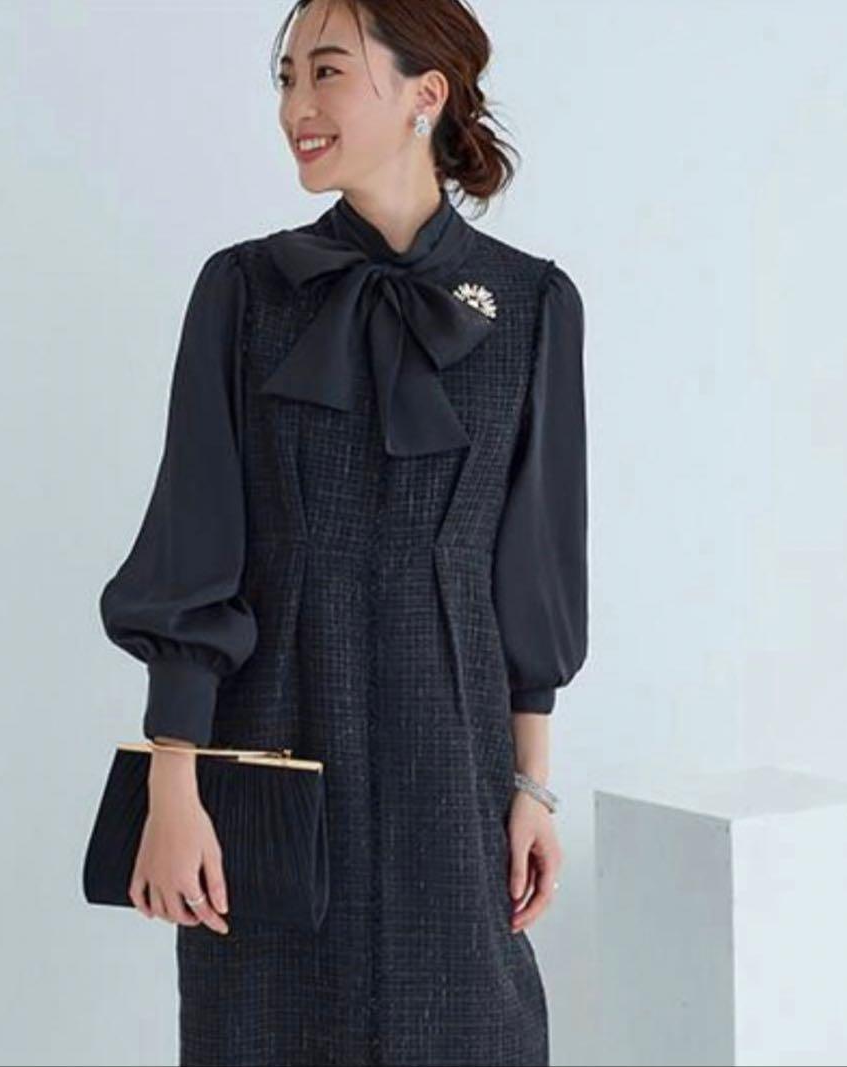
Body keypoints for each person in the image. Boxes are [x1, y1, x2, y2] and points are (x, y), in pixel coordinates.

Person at [97, 1, 588, 1063]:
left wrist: (531, 785)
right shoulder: (244, 290)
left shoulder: (532, 304)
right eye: (286, 79)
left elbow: (534, 567)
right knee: (262, 1026)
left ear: (425, 94)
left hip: (451, 749)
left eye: (326, 73)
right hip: (269, 729)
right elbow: (193, 541)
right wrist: (173, 783)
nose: (296, 108)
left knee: (467, 1029)